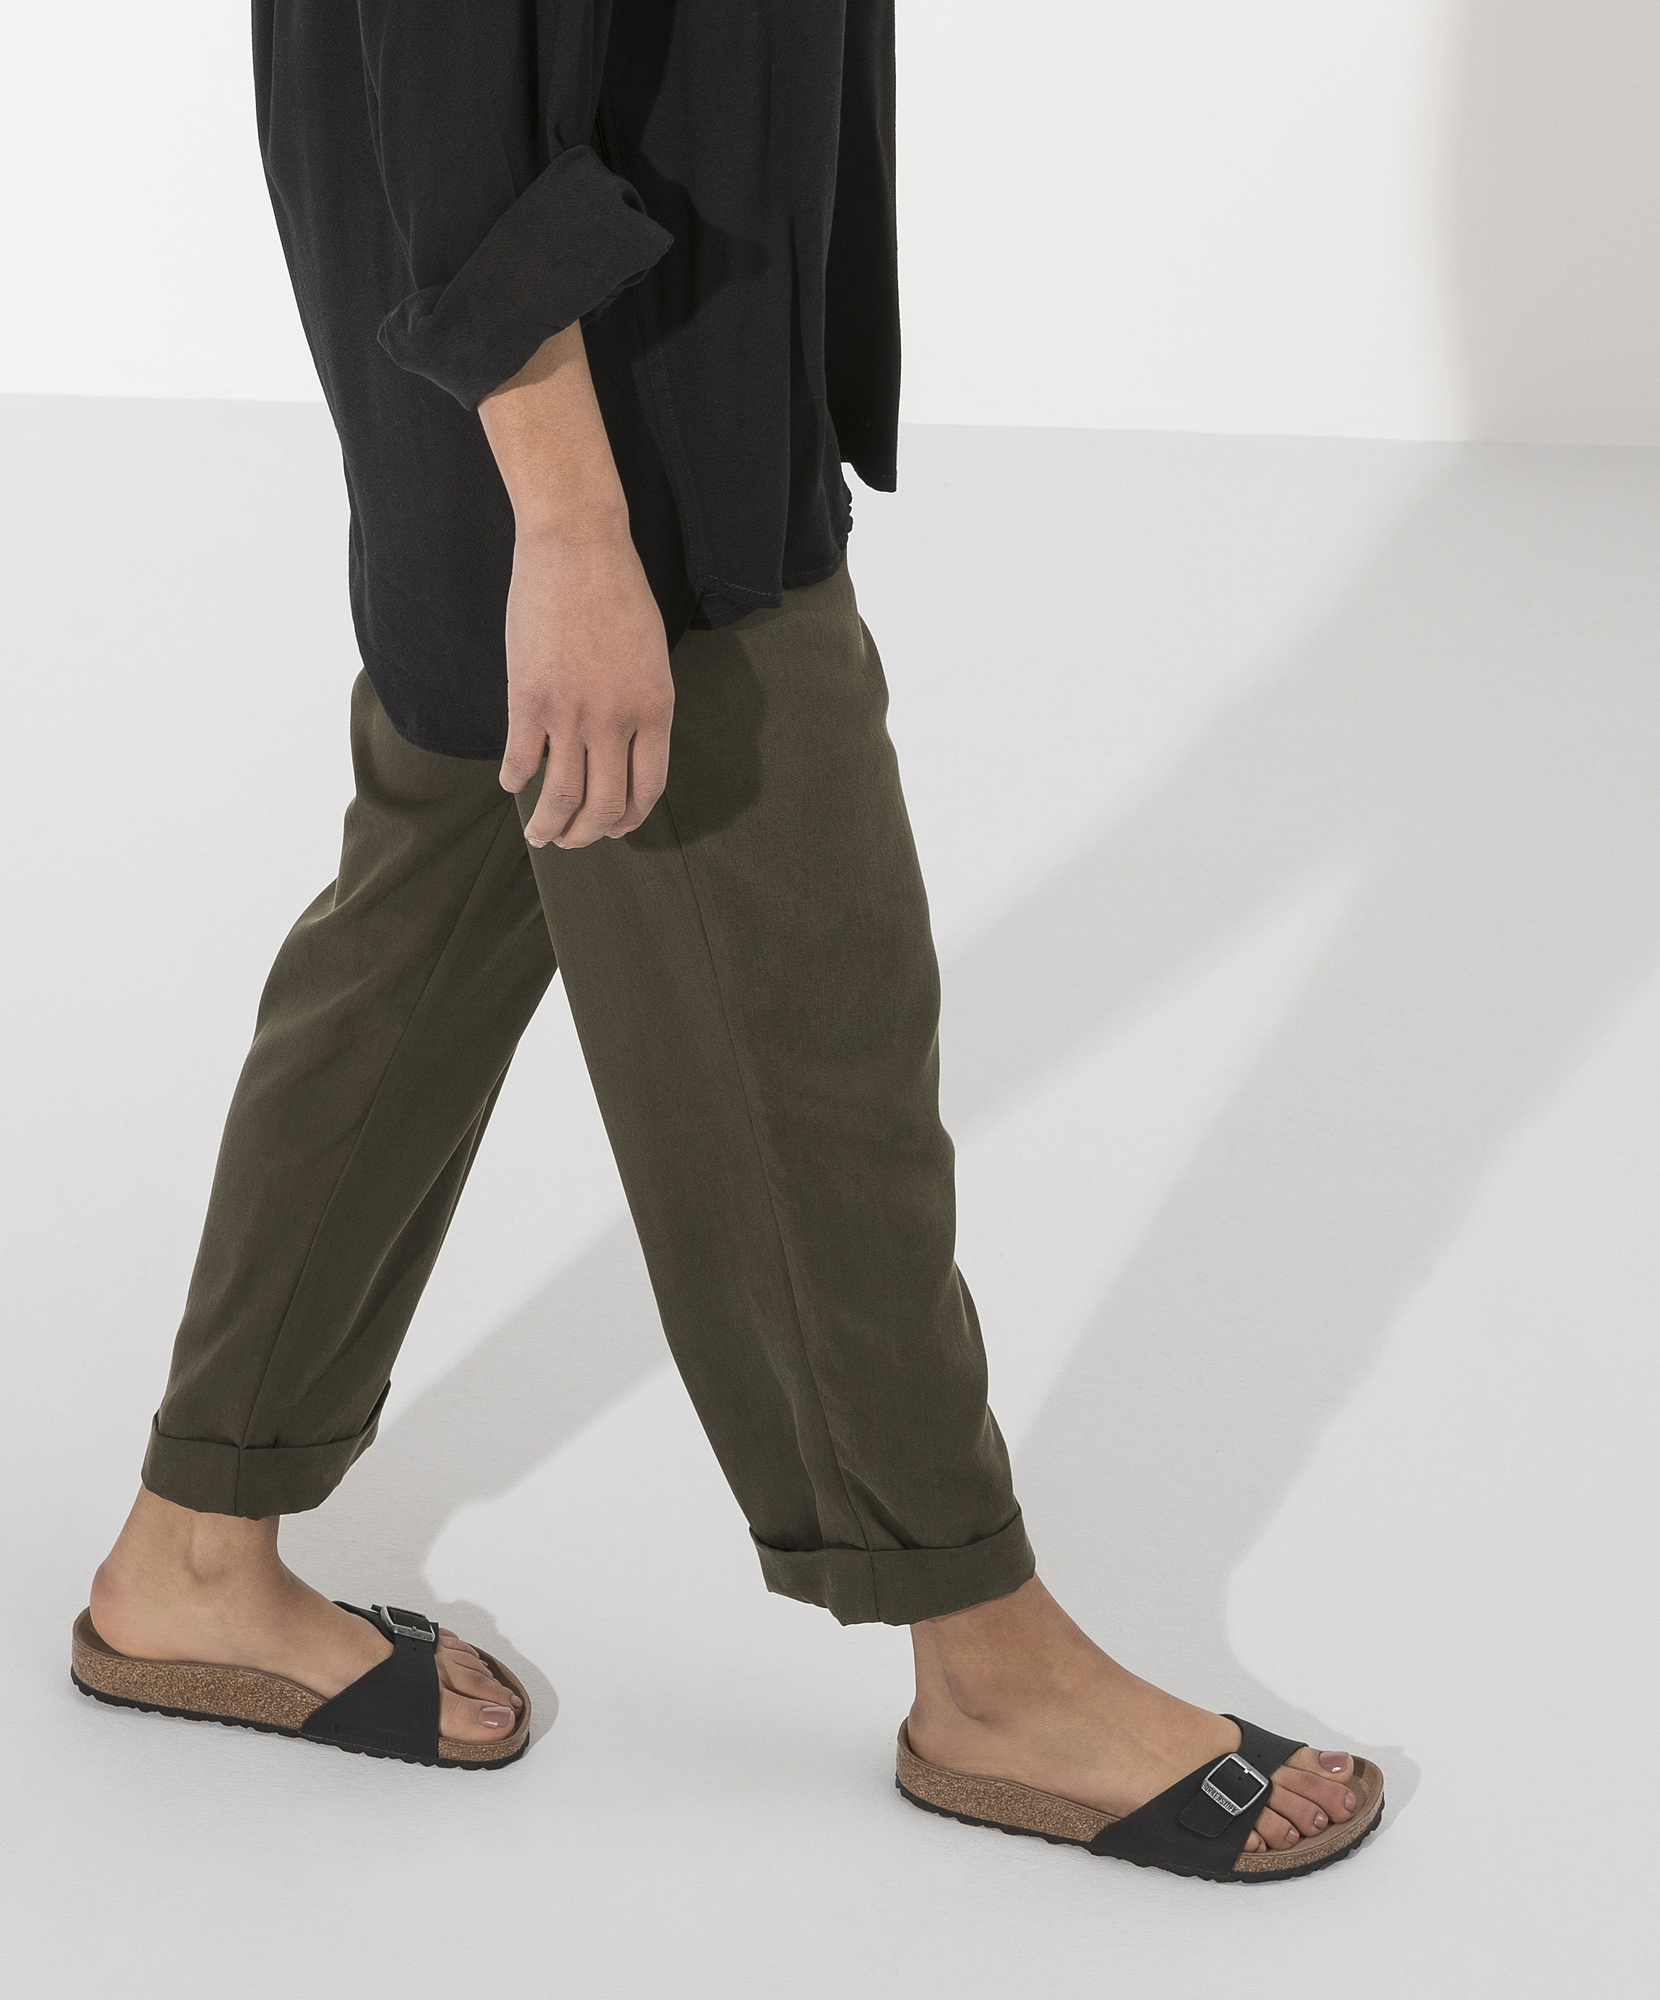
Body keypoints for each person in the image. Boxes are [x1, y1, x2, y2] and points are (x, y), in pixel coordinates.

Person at [74, 0, 1383, 1880]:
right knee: (804, 1016)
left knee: (428, 924)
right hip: (605, 409)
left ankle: (198, 1551)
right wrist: (572, 528)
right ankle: (990, 1667)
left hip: (565, 359)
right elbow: (449, 76)